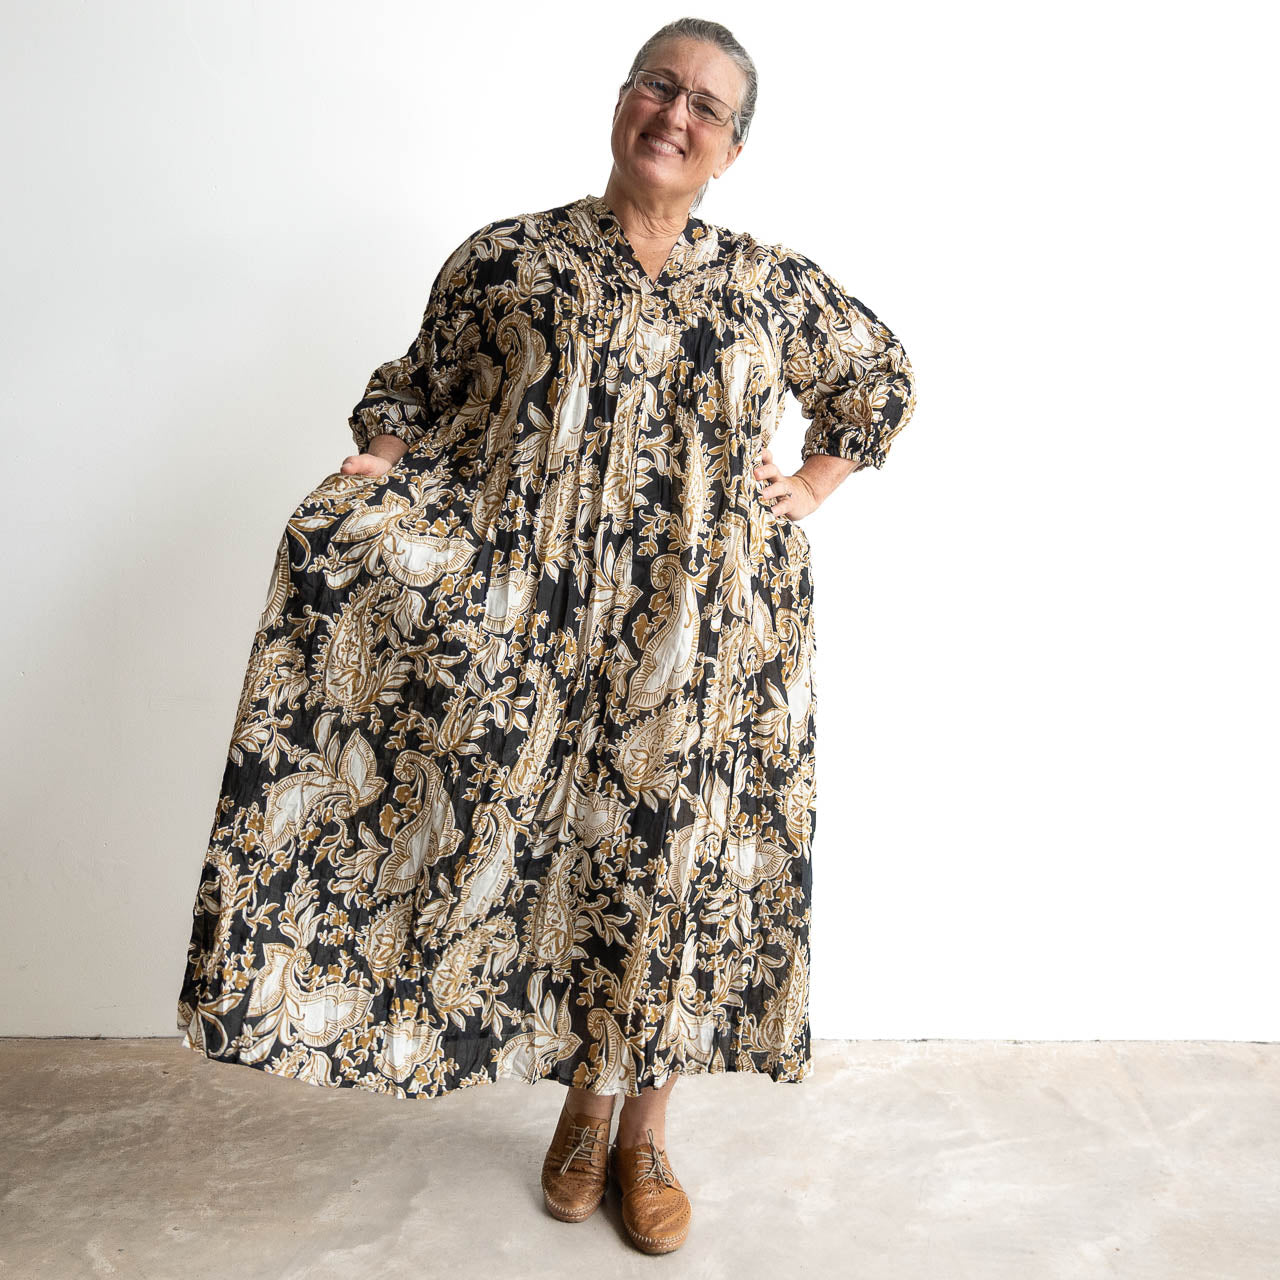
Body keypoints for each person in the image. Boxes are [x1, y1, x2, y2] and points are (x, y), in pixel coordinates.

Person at [175, 15, 916, 1257]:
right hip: (539, 622)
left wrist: (812, 481)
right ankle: (582, 1109)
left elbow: (878, 378)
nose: (674, 115)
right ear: (621, 101)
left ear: (732, 149)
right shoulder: (509, 258)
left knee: (668, 872)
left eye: (705, 106)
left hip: (706, 633)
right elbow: (418, 386)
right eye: (657, 86)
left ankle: (646, 1134)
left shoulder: (767, 284)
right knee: (572, 862)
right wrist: (381, 467)